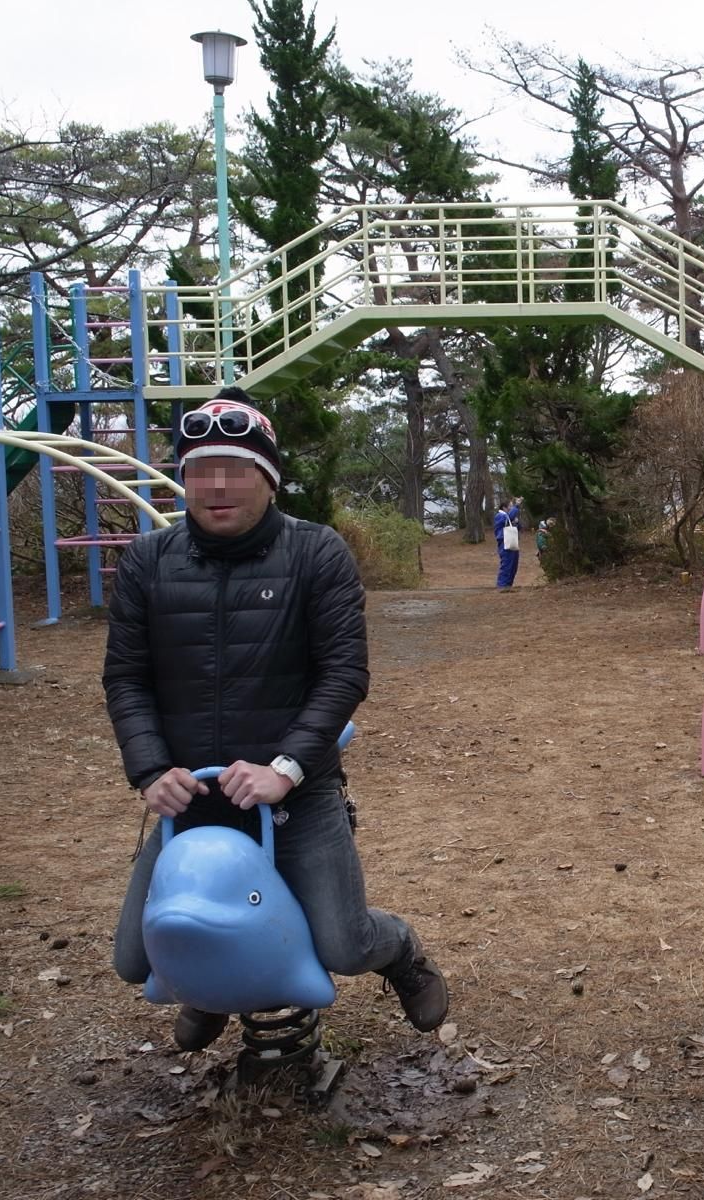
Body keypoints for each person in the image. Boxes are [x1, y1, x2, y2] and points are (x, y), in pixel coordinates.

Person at [104, 387, 449, 1051]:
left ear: (268, 478)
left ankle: (401, 950)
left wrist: (284, 768)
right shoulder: (149, 561)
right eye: (201, 469)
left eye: (237, 468)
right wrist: (150, 769)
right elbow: (127, 677)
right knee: (135, 960)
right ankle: (216, 986)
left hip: (295, 793)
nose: (218, 485)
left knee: (344, 943)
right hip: (193, 797)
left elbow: (344, 675)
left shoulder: (316, 554)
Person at [494, 498, 522, 590]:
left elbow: (519, 528)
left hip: (512, 541)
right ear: (504, 508)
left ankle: (508, 585)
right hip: (505, 542)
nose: (511, 508)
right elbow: (508, 518)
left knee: (513, 564)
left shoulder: (508, 517)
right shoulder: (500, 516)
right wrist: (517, 506)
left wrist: (517, 523)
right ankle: (502, 585)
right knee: (507, 563)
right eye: (510, 506)